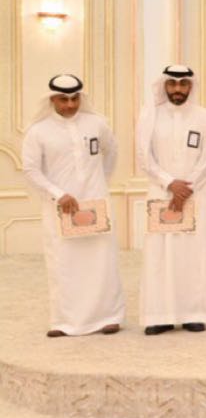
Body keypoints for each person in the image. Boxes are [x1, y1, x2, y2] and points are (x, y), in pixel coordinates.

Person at [22, 74, 123, 337]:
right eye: (63, 99)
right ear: (52, 99)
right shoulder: (38, 131)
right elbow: (31, 170)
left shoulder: (96, 123)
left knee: (101, 260)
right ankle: (65, 321)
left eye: (74, 98)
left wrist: (100, 183)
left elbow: (111, 151)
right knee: (64, 263)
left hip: (95, 203)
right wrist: (58, 194)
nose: (70, 105)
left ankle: (109, 317)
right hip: (60, 207)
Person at [135, 65, 206, 335]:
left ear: (191, 86)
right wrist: (170, 183)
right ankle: (159, 316)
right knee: (159, 255)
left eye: (183, 84)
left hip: (196, 193)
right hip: (161, 194)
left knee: (194, 254)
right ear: (164, 85)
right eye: (172, 83)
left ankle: (194, 314)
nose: (178, 89)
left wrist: (187, 186)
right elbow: (144, 156)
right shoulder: (150, 115)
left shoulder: (204, 117)